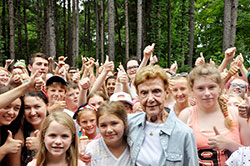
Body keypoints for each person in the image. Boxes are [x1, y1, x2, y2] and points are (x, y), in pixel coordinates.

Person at [179, 64, 250, 165]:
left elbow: (248, 155)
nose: (207, 93)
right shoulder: (186, 115)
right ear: (192, 91)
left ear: (220, 88)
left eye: (211, 87)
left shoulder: (236, 114)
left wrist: (229, 144)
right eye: (201, 88)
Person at [127, 65, 198, 165]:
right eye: (144, 93)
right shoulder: (130, 124)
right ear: (138, 95)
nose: (150, 99)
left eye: (156, 91)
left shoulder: (183, 133)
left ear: (166, 93)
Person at [83, 101, 132, 166]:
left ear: (124, 123)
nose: (109, 130)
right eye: (103, 125)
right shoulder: (92, 149)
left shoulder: (133, 146)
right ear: (98, 126)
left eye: (114, 123)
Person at [21, 91, 48, 166]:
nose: (32, 112)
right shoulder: (20, 132)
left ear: (47, 105)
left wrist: (41, 147)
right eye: (27, 108)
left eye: (37, 107)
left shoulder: (59, 128)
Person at [0, 86, 24, 166]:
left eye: (16, 109)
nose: (11, 112)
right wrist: (4, 150)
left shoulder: (14, 130)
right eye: (7, 106)